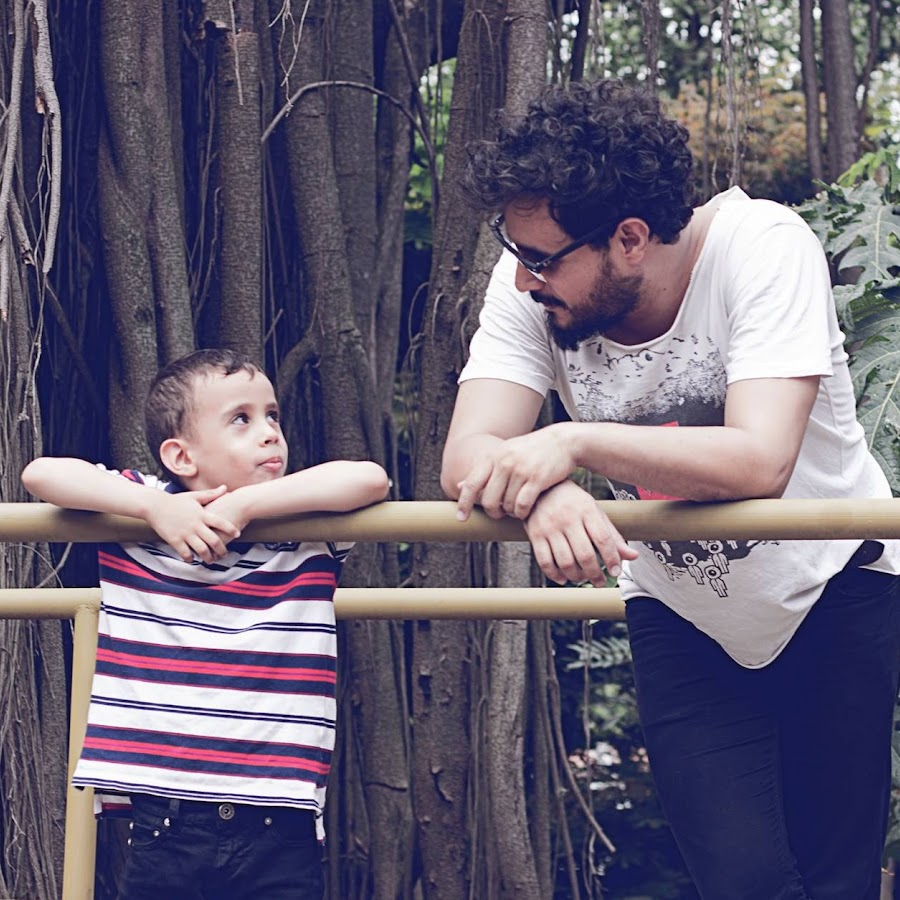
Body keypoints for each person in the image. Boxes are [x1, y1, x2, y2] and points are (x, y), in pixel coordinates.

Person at [442, 79, 900, 898]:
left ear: (629, 238)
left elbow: (760, 459)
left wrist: (570, 443)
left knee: (835, 878)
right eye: (517, 256)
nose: (523, 281)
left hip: (834, 583)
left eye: (541, 260)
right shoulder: (531, 293)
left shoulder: (761, 246)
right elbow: (468, 455)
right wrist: (549, 492)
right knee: (742, 879)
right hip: (680, 610)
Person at [22, 348, 389, 900]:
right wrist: (154, 509)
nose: (269, 433)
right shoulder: (139, 514)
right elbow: (41, 473)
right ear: (180, 456)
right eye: (241, 419)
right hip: (166, 815)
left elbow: (369, 479)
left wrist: (246, 506)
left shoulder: (305, 528)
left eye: (273, 416)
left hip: (281, 816)